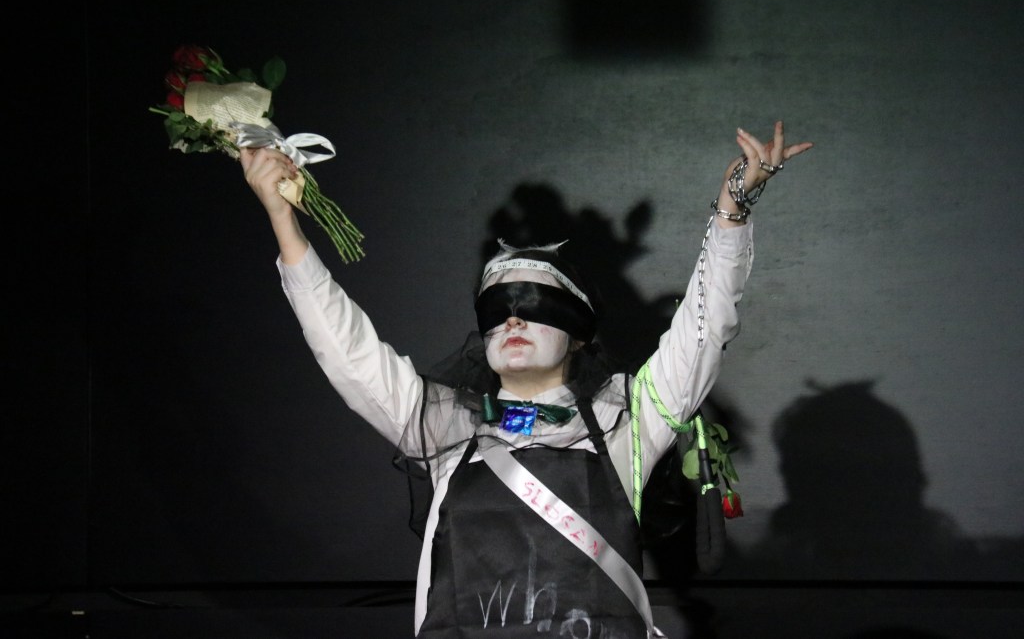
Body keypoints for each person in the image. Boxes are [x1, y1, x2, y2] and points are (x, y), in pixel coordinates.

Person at [240, 122, 813, 638]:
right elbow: (346, 351)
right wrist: (281, 218)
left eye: (537, 304)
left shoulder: (628, 419)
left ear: (580, 333)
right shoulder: (444, 424)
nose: (513, 318)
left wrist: (733, 211)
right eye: (497, 310)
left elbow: (706, 326)